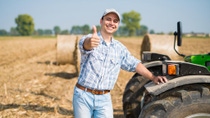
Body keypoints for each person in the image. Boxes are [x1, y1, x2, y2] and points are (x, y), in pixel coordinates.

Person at [73, 8, 168, 118]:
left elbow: (135, 64)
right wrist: (89, 43)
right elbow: (85, 45)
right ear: (101, 21)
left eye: (115, 21)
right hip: (83, 96)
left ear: (117, 25)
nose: (111, 23)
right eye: (108, 19)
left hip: (104, 99)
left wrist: (153, 77)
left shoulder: (120, 49)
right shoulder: (90, 39)